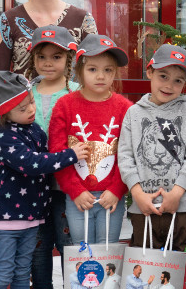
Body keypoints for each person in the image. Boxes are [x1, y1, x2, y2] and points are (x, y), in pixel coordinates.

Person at [0, 71, 88, 289]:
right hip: (4, 218)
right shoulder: (4, 137)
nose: (30, 110)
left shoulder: (36, 131)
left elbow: (47, 153)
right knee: (2, 273)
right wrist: (72, 154)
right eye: (22, 108)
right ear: (4, 113)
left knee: (21, 272)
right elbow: (33, 163)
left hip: (32, 216)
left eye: (30, 103)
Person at [0, 0, 97, 149]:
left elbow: (96, 69)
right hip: (22, 129)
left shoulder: (82, 19)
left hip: (72, 126)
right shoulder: (9, 20)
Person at [118, 44, 186, 253]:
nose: (169, 85)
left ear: (185, 84)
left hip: (184, 209)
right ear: (150, 72)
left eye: (178, 80)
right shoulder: (133, 114)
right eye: (163, 76)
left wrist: (177, 192)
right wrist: (137, 194)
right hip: (145, 208)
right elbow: (125, 155)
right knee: (146, 271)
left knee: (183, 269)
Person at [49, 35, 132, 245]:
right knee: (81, 248)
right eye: (93, 69)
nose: (100, 76)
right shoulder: (64, 105)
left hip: (111, 197)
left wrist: (116, 190)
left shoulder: (125, 108)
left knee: (107, 249)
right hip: (77, 197)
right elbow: (58, 153)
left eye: (108, 70)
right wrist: (76, 191)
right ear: (80, 71)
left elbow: (128, 155)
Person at [24, 26, 80, 289]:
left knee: (67, 240)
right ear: (33, 58)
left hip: (65, 184)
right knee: (39, 242)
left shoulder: (74, 94)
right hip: (31, 186)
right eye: (42, 56)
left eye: (56, 56)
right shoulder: (26, 92)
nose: (48, 63)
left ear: (68, 59)